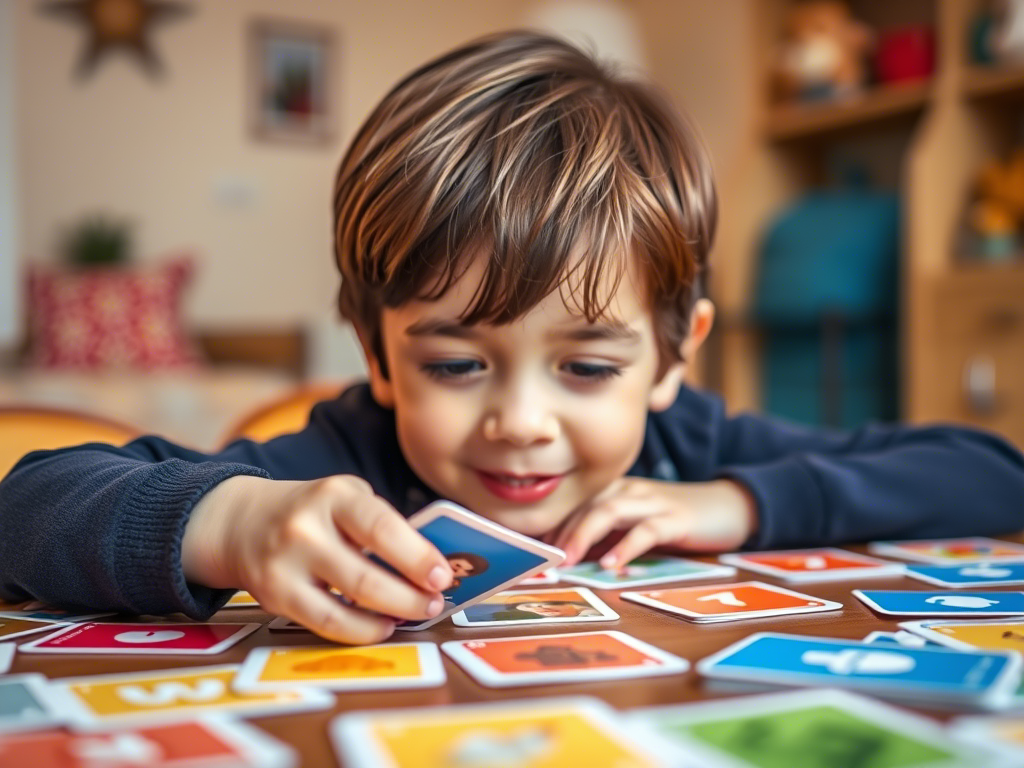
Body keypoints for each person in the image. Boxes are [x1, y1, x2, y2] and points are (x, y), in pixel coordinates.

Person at [2, 31, 1023, 646]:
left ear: (675, 357)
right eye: (454, 363)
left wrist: (744, 500)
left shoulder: (692, 453)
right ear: (374, 354)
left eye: (587, 366)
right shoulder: (341, 465)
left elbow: (991, 475)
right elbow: (26, 507)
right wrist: (228, 523)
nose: (521, 422)